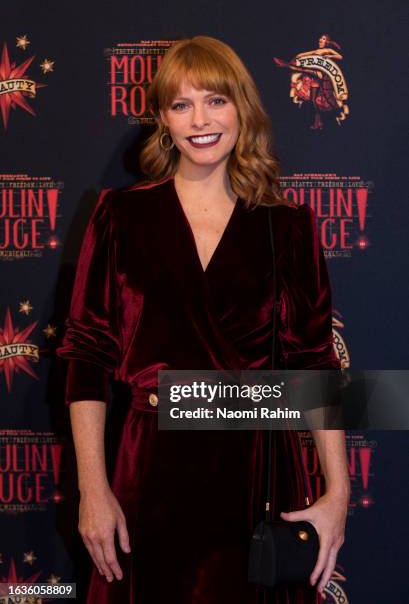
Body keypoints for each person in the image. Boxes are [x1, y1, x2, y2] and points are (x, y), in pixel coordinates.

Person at [56, 35, 350, 604]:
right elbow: (86, 355)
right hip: (151, 471)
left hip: (258, 475)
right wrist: (93, 489)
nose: (200, 120)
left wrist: (337, 491)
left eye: (215, 100)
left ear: (242, 107)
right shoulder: (120, 216)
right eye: (181, 104)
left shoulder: (287, 226)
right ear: (163, 120)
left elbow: (316, 364)